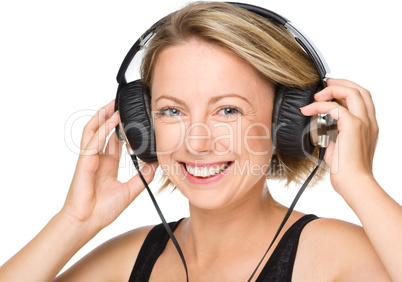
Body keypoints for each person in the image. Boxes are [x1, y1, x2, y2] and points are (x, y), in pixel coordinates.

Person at [0, 2, 401, 281]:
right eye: (171, 111)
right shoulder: (130, 260)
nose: (196, 142)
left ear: (289, 120)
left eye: (228, 110)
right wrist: (74, 222)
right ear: (142, 125)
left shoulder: (336, 256)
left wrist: (358, 182)